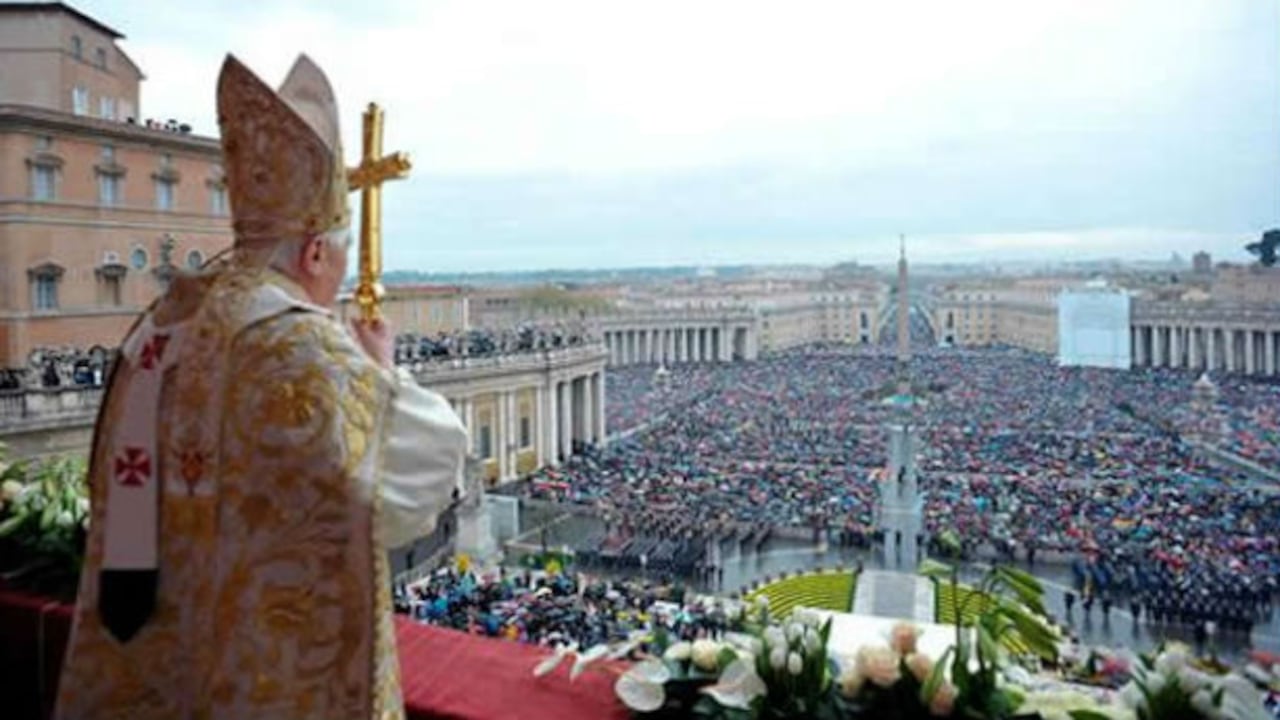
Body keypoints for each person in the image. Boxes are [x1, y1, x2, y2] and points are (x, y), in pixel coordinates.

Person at [55, 55, 467, 720]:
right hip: (270, 680)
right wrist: (383, 373)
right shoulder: (304, 344)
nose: (335, 278)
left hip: (155, 659)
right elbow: (417, 481)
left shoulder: (156, 329)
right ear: (312, 254)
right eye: (338, 259)